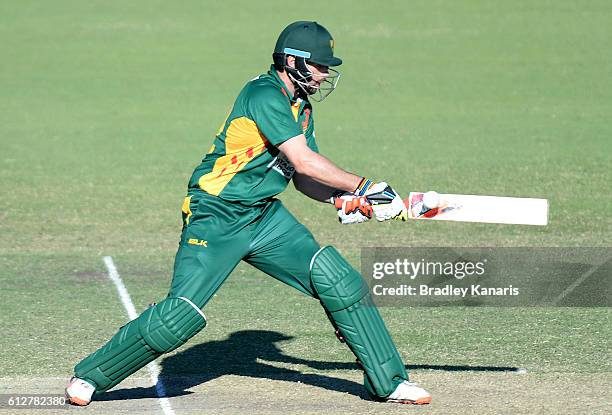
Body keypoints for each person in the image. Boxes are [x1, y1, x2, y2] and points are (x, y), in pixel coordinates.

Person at [65, 20, 431, 406]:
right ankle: (90, 376)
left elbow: (302, 179)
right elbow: (305, 161)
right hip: (216, 214)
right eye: (320, 66)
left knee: (339, 281)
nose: (325, 75)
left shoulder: (300, 109)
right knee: (180, 318)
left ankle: (389, 383)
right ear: (293, 62)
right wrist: (362, 185)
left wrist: (343, 200)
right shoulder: (263, 93)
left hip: (263, 217)